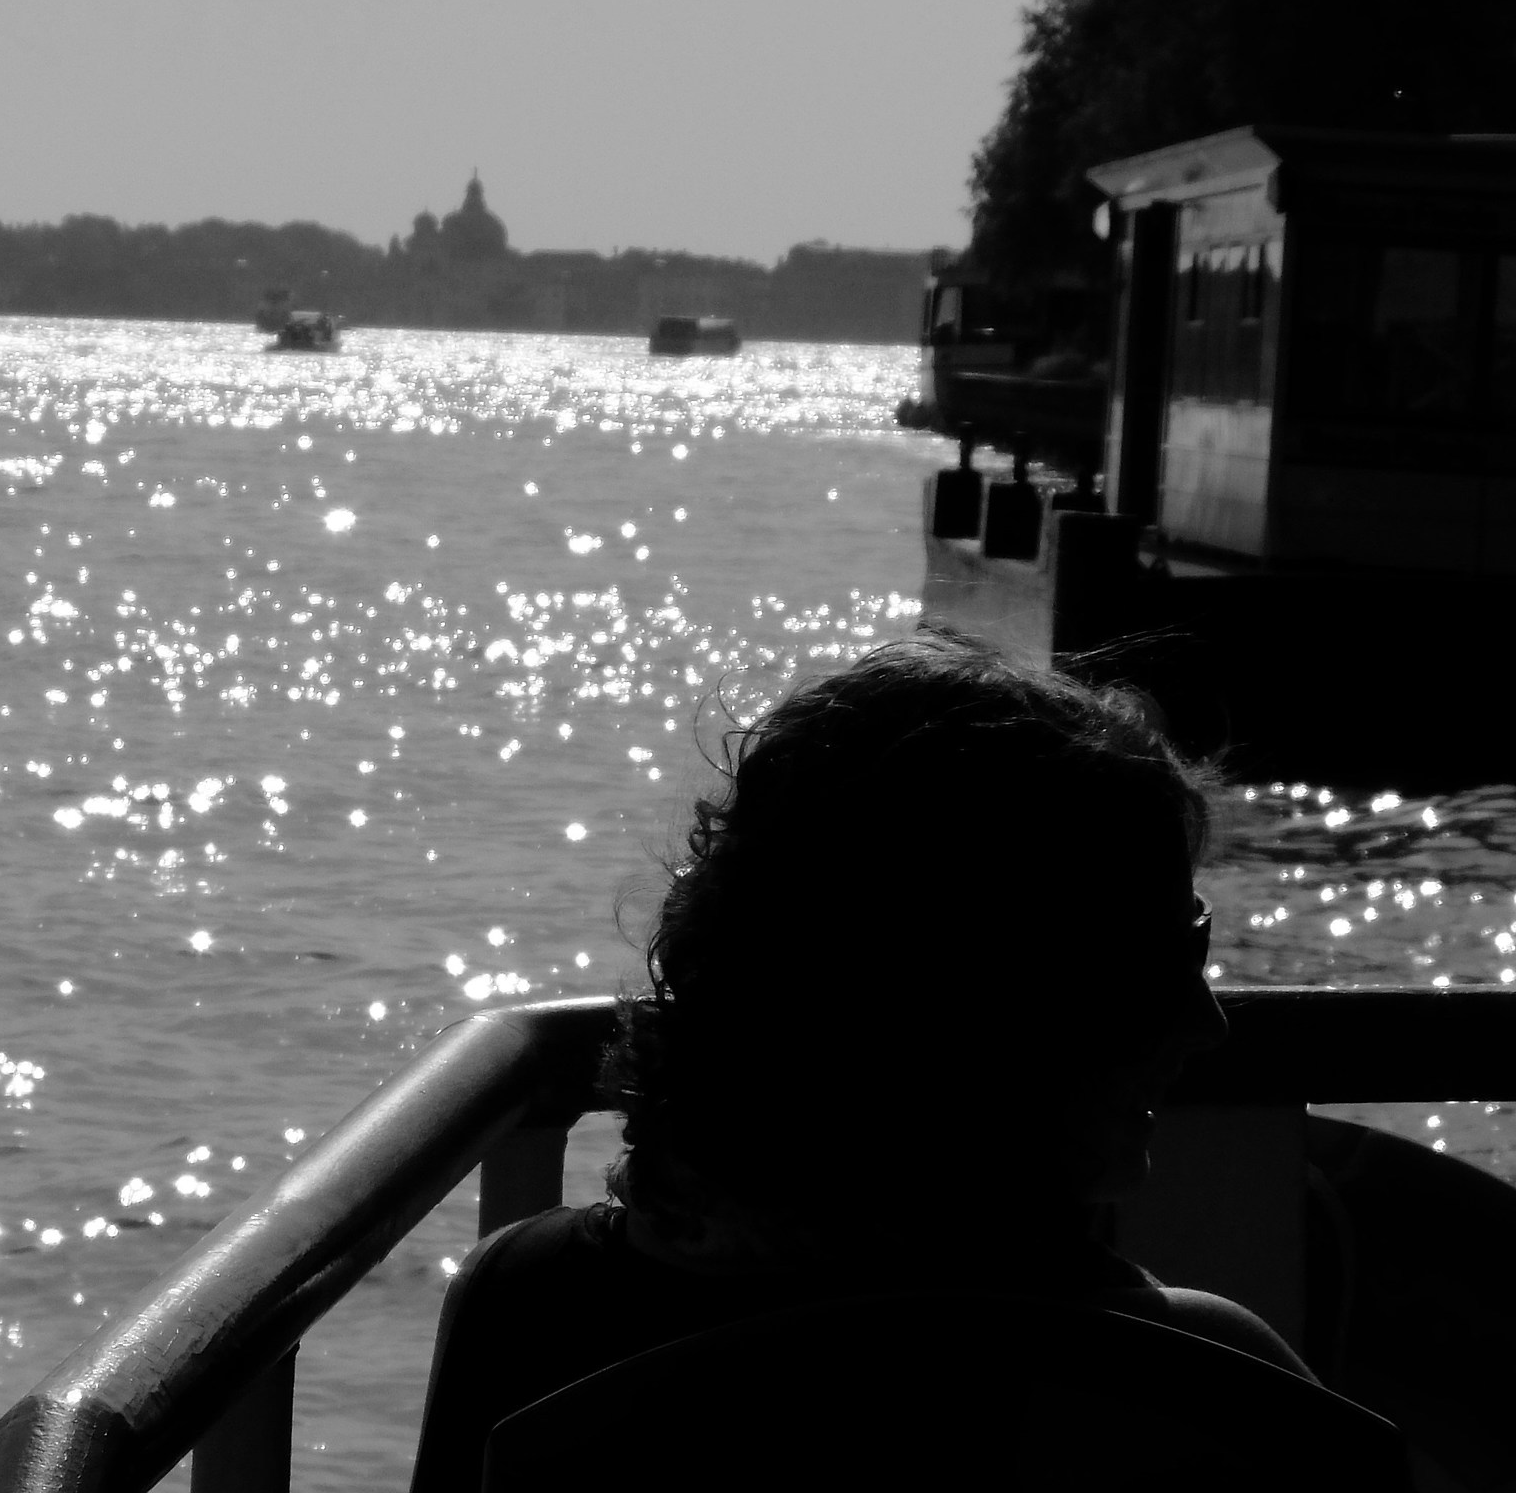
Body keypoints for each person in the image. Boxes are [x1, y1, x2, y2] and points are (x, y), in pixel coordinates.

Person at [408, 629, 1305, 1493]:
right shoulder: (1206, 1386)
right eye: (1161, 962)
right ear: (987, 1016)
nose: (1206, 1024)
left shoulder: (523, 1308)